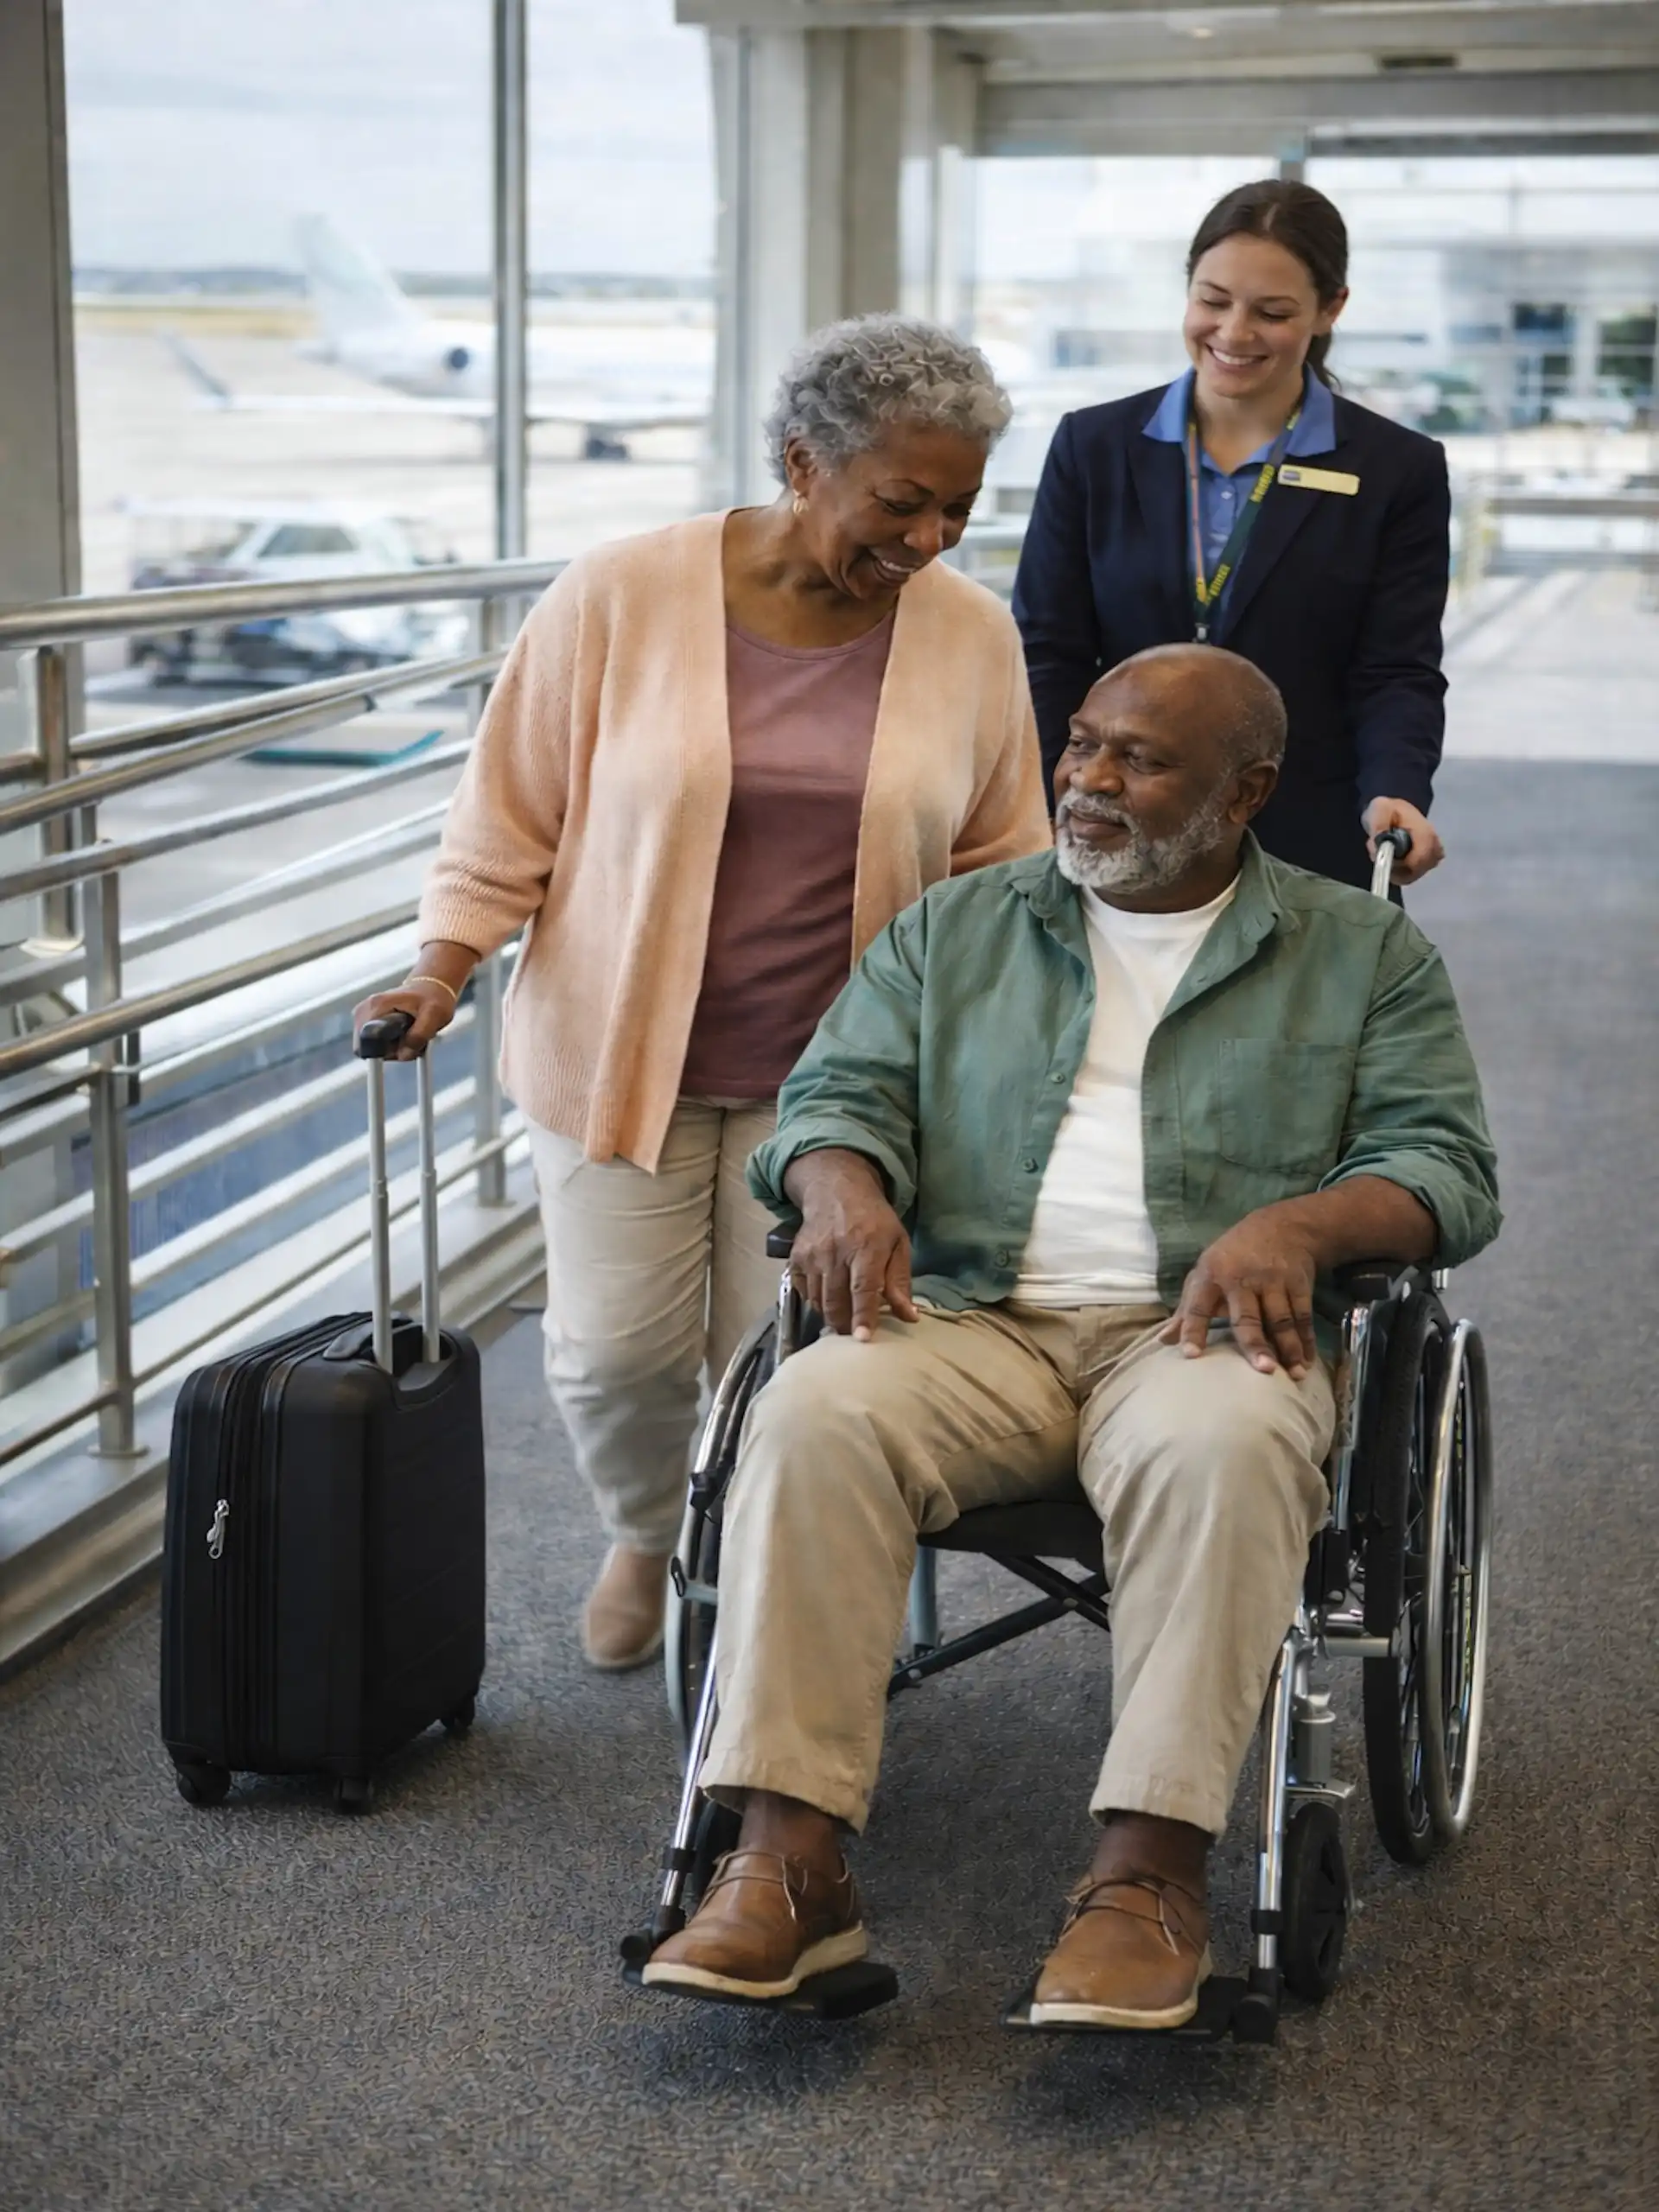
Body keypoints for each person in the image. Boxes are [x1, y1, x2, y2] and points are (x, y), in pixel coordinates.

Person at [642, 643, 1499, 2025]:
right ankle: (787, 1866)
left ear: (1249, 790)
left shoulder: (1362, 953)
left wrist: (1304, 1226)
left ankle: (1146, 1878)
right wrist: (840, 1185)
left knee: (1225, 1449)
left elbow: (1446, 1170)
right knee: (807, 1415)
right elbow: (832, 1097)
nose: (1088, 781)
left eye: (1140, 761)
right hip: (970, 1316)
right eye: (1083, 744)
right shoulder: (957, 927)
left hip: (1203, 1333)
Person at [352, 315, 1050, 1673]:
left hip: (838, 1094)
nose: (929, 539)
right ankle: (641, 1527)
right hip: (621, 1059)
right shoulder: (619, 594)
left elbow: (1000, 858)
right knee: (612, 1355)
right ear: (804, 460)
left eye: (957, 508)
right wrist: (441, 969)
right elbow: (508, 817)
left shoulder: (971, 637)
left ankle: (742, 1585)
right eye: (900, 502)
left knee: (773, 1370)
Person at [1014, 179, 1452, 892]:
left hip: (1310, 832)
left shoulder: (1396, 469)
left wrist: (1397, 788)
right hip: (1113, 826)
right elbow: (1047, 653)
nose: (1234, 333)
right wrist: (1043, 804)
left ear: (1330, 308)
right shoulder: (1092, 447)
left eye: (1272, 312)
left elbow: (1395, 667)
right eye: (1212, 301)